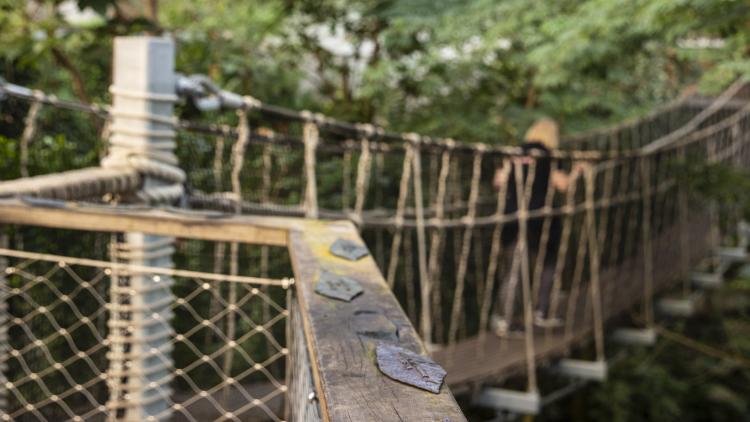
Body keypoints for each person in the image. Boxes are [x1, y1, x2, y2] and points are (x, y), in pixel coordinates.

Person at [492, 118, 588, 334]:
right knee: (549, 262)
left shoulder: (513, 153)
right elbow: (562, 186)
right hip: (541, 218)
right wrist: (577, 173)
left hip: (513, 216)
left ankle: (504, 319)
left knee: (514, 270)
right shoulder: (549, 156)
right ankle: (542, 312)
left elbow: (498, 182)